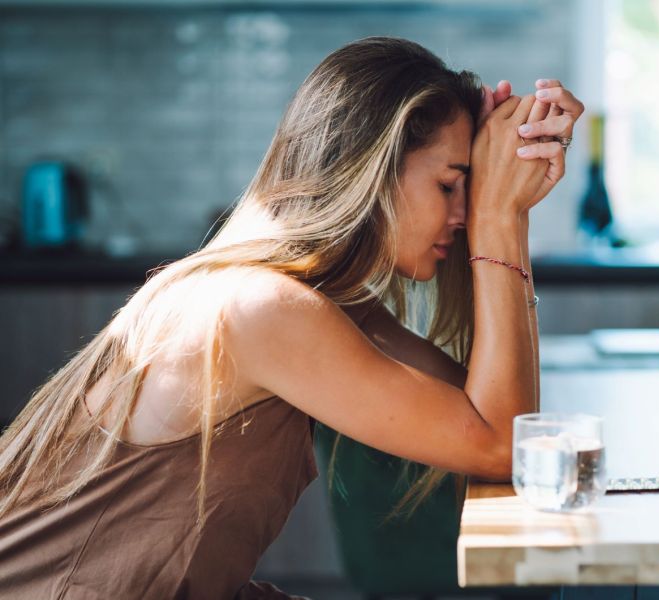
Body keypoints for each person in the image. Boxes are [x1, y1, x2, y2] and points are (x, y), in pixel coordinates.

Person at [0, 37, 583, 599]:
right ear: (369, 171)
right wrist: (500, 217)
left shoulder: (319, 302)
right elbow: (502, 443)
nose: (464, 213)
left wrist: (501, 199)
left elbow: (498, 421)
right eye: (450, 185)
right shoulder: (262, 309)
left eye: (471, 190)